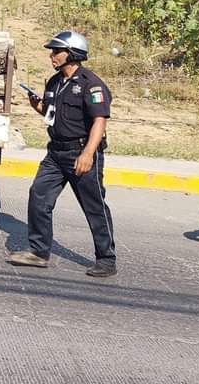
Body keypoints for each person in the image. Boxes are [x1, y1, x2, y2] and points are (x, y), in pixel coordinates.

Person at [7, 31, 117, 278]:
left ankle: (107, 259)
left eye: (57, 51)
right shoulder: (55, 82)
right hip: (55, 153)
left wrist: (88, 154)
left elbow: (100, 120)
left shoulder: (91, 84)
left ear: (73, 54)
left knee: (94, 206)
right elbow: (52, 114)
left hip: (81, 152)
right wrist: (37, 106)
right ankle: (38, 252)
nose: (52, 56)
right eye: (52, 51)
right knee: (39, 195)